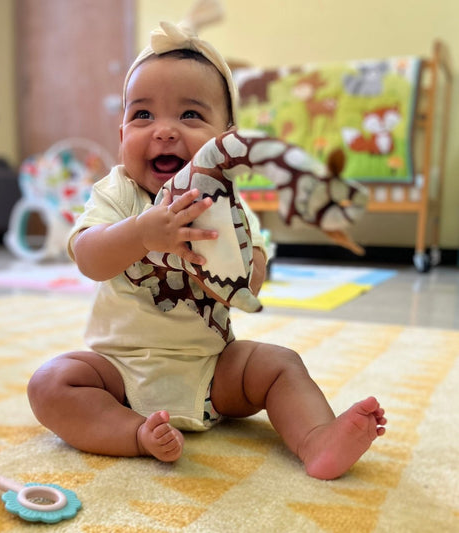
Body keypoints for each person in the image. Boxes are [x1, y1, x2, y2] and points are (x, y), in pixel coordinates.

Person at [27, 21, 386, 480]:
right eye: (142, 116)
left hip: (212, 372)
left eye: (191, 116)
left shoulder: (227, 205)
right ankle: (132, 432)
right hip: (118, 372)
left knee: (280, 364)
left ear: (228, 141)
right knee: (52, 383)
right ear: (121, 133)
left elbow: (254, 278)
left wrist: (229, 266)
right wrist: (140, 233)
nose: (164, 131)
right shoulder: (117, 194)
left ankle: (317, 439)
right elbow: (89, 259)